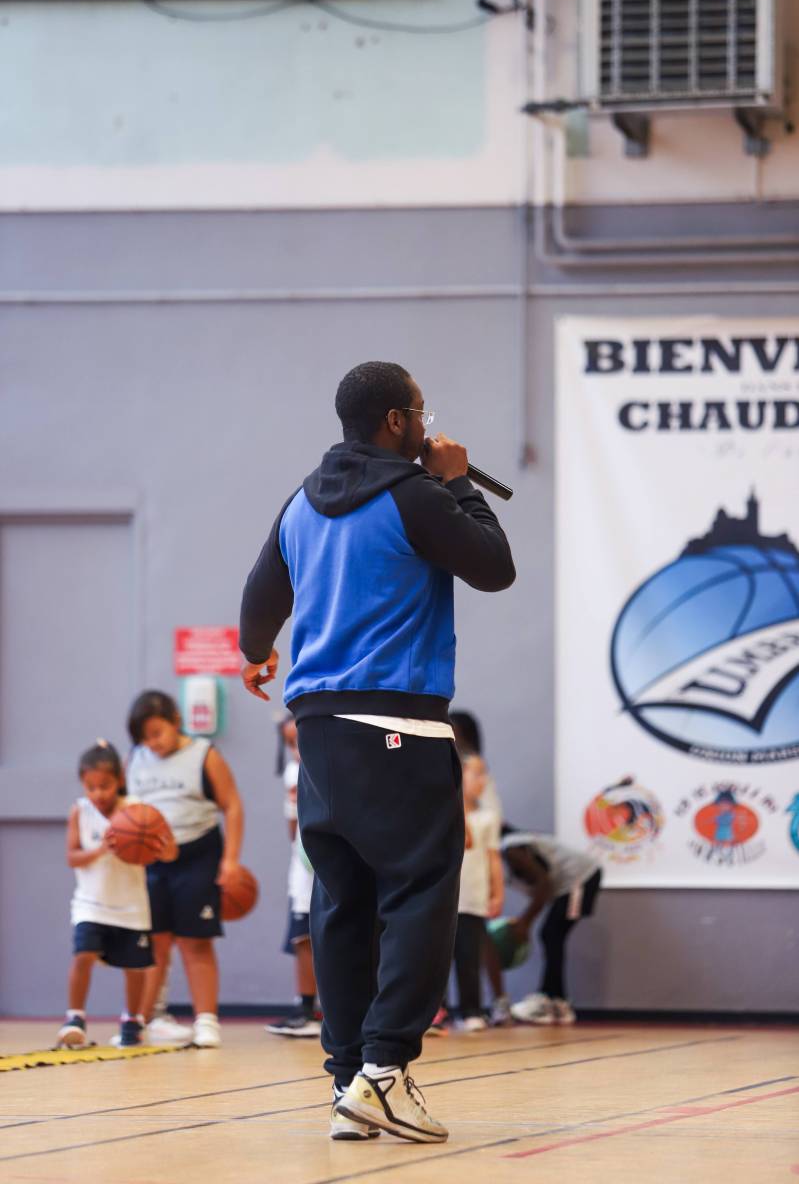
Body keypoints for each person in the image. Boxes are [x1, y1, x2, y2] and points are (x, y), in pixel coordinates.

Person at [239, 360, 515, 1144]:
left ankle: (348, 1082)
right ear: (396, 421)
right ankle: (386, 1071)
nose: (429, 424)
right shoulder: (415, 495)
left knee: (343, 902)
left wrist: (257, 653)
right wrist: (458, 482)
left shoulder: (300, 503)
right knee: (423, 889)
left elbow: (260, 602)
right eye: (421, 412)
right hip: (396, 721)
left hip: (316, 730)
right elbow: (495, 569)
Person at [126, 689, 245, 1049]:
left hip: (198, 854)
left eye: (157, 733)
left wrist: (231, 861)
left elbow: (233, 806)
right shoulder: (136, 758)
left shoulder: (203, 755)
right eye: (145, 737)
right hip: (153, 861)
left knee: (196, 942)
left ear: (176, 721)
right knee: (154, 944)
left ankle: (206, 1020)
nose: (153, 743)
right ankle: (149, 1018)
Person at [57, 740, 177, 1050]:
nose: (98, 793)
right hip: (90, 904)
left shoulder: (137, 811)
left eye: (105, 786)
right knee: (83, 956)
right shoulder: (79, 811)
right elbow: (71, 857)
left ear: (119, 781)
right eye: (91, 786)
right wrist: (101, 849)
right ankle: (75, 1018)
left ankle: (132, 1021)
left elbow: (170, 851)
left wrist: (159, 848)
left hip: (131, 907)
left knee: (135, 967)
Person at [494, 824, 602, 1025]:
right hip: (573, 882)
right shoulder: (517, 845)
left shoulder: (511, 847)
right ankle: (556, 1000)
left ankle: (553, 999)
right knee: (552, 935)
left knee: (551, 934)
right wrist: (523, 921)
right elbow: (540, 888)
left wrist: (524, 923)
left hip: (580, 880)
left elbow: (544, 885)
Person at [266, 714, 321, 1039]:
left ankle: (344, 1009)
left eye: (300, 741)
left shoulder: (333, 765)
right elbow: (292, 832)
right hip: (304, 868)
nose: (297, 750)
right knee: (303, 938)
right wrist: (294, 807)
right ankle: (306, 1008)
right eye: (290, 745)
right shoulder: (292, 773)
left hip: (337, 864)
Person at [452, 753, 503, 1032]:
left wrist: (497, 893)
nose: (483, 780)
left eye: (484, 774)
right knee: (434, 959)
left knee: (469, 956)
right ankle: (436, 1011)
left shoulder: (488, 817)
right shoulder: (442, 812)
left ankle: (471, 1009)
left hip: (472, 898)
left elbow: (493, 858)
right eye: (477, 773)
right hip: (444, 897)